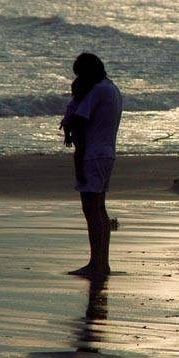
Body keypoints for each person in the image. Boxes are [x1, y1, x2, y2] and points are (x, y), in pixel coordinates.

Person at [63, 53, 123, 277]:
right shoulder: (112, 89)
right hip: (107, 153)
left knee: (91, 210)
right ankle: (101, 262)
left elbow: (79, 117)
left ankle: (96, 263)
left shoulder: (97, 91)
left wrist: (68, 123)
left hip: (93, 154)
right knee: (99, 209)